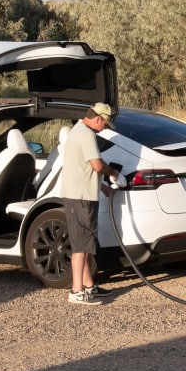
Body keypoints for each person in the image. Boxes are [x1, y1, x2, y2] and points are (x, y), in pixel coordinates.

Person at [61, 102, 122, 305]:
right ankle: (77, 291)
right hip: (80, 199)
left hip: (82, 195)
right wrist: (113, 173)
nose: (105, 127)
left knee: (86, 243)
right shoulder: (86, 134)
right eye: (105, 124)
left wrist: (102, 187)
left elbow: (84, 168)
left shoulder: (80, 130)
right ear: (98, 119)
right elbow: (96, 164)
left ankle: (89, 286)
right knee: (80, 246)